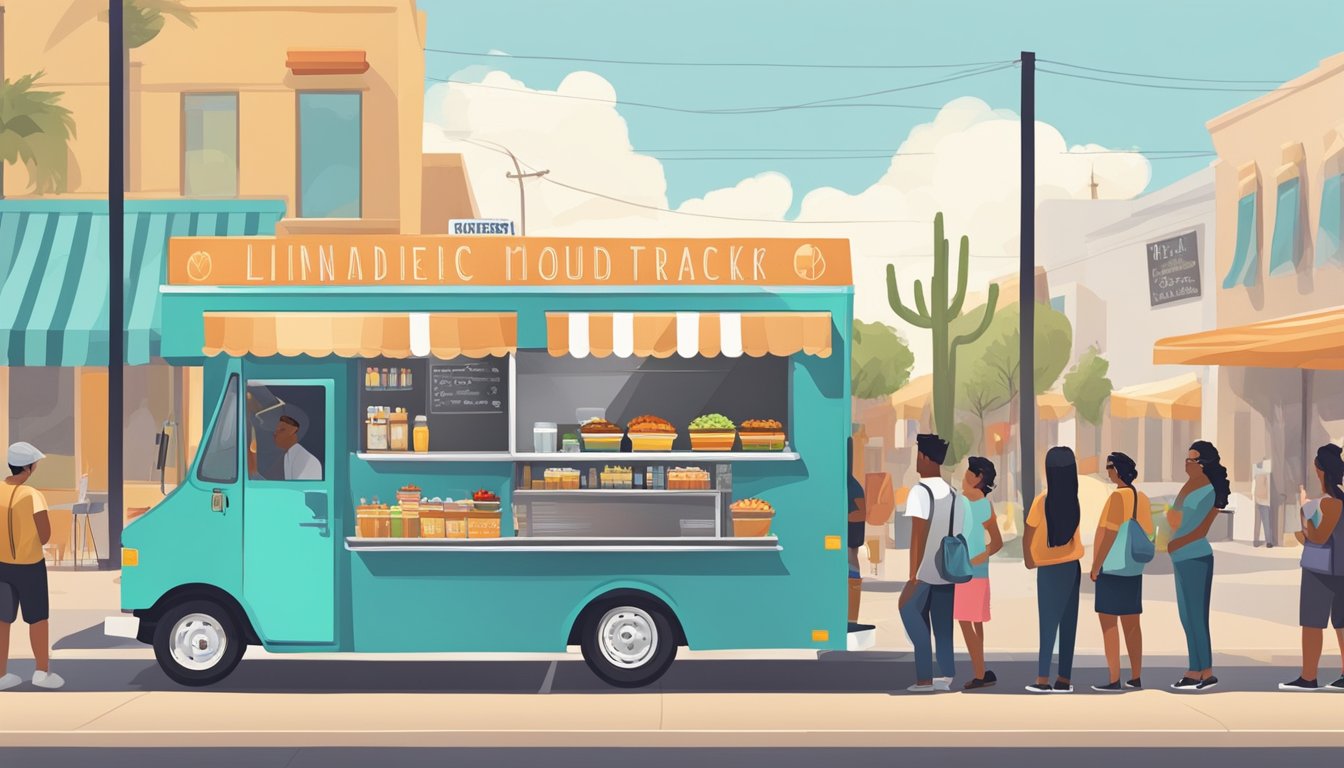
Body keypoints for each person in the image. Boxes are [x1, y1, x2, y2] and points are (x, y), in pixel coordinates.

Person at [898, 433, 963, 693]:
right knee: (943, 624)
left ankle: (925, 678)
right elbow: (956, 532)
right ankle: (946, 676)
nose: (916, 461)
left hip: (925, 570)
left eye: (918, 455)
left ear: (925, 458)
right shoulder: (955, 494)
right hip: (947, 569)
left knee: (907, 609)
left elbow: (917, 534)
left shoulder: (920, 491)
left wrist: (912, 574)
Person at [1279, 443, 1344, 692]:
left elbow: (1316, 537)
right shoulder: (1339, 501)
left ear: (1320, 470)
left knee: (1312, 623)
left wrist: (1304, 509)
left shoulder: (1327, 503)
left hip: (1320, 570)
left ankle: (1308, 676)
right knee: (1341, 623)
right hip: (1340, 568)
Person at [0, 442, 64, 690]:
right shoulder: (33, 495)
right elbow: (45, 534)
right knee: (37, 619)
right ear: (27, 467)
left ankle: (2, 675)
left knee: (2, 619)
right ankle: (41, 672)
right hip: (30, 566)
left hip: (1, 566)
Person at [1167, 440, 1229, 691]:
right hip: (1180, 556)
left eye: (1191, 460)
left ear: (1203, 464)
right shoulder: (1190, 486)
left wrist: (1178, 541)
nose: (1186, 463)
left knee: (1196, 616)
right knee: (1186, 616)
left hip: (1195, 556)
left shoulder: (1211, 491)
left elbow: (1201, 529)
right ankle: (1198, 669)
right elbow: (1175, 517)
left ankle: (1202, 670)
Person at [1090, 452, 1153, 692]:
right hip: (1133, 569)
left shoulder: (1117, 497)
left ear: (1117, 470)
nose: (1107, 471)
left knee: (1108, 624)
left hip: (1113, 568)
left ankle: (1114, 678)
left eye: (1109, 467)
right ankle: (1136, 676)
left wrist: (1096, 565)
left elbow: (1109, 534)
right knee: (1132, 623)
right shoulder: (1142, 498)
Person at [1024, 446, 1084, 694]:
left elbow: (1028, 534)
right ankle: (1064, 679)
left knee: (1047, 624)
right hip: (1072, 566)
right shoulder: (1074, 501)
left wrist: (1029, 559)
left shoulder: (1042, 501)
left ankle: (1041, 679)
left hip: (1049, 569)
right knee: (1069, 624)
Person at [957, 456, 1002, 690]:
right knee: (973, 621)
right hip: (971, 569)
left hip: (971, 570)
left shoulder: (977, 505)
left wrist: (976, 558)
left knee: (968, 621)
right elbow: (995, 543)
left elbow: (996, 542)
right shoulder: (964, 502)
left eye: (969, 473)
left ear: (978, 478)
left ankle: (979, 673)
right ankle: (981, 670)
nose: (965, 476)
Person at [847, 436, 874, 632]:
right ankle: (850, 620)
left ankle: (850, 620)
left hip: (848, 542)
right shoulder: (853, 485)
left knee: (851, 564)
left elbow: (857, 513)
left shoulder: (848, 486)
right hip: (852, 541)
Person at [250, 414, 322, 480]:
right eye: (276, 430)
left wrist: (253, 473)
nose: (275, 433)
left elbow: (297, 491)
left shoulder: (305, 460)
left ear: (294, 431)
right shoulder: (287, 456)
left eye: (282, 430)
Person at [1252, 459, 1276, 548]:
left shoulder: (1256, 470)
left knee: (1258, 521)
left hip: (1257, 497)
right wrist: (1270, 501)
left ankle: (1256, 540)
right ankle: (1269, 541)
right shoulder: (1267, 473)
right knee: (1266, 521)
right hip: (1264, 500)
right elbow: (1268, 488)